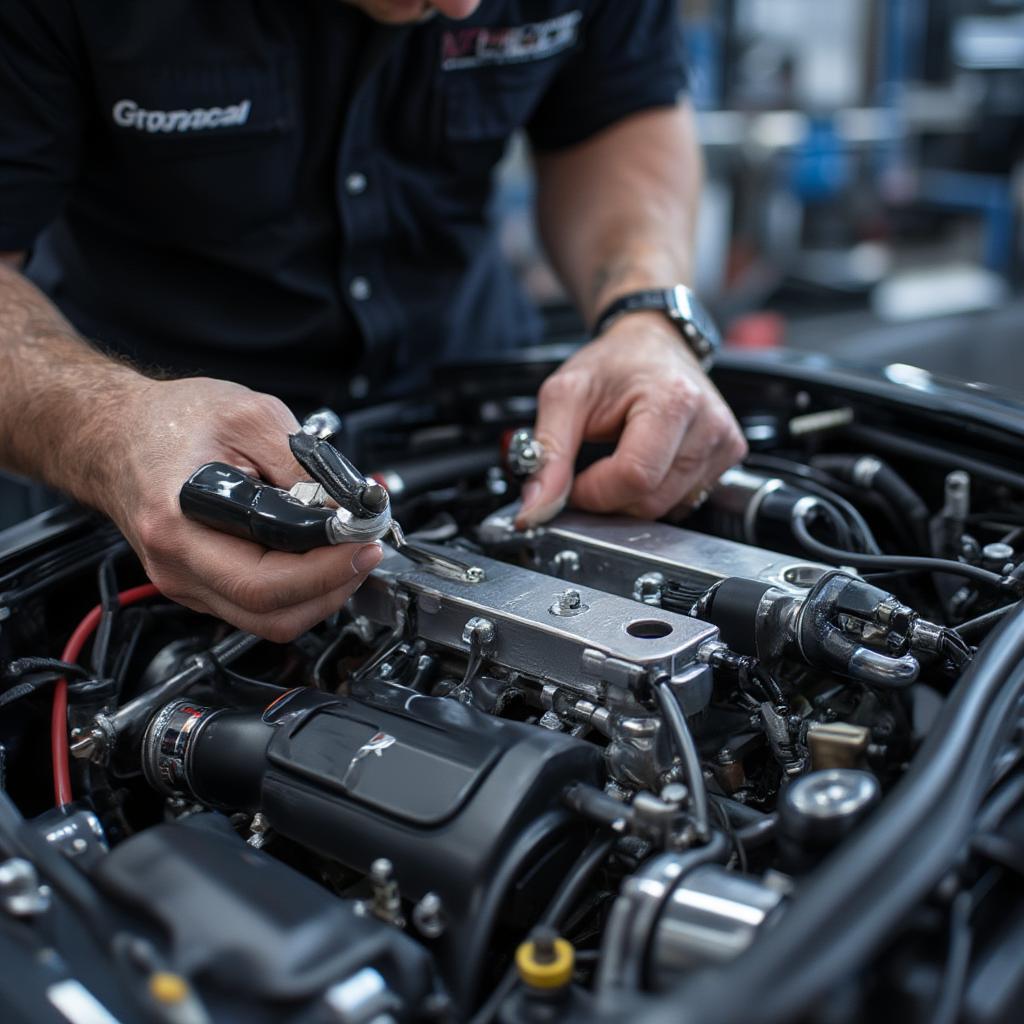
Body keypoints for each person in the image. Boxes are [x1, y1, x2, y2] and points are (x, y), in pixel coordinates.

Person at [0, 0, 746, 641]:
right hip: (150, 489)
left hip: (469, 409)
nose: (464, 6)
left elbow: (614, 115)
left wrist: (646, 315)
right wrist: (110, 427)